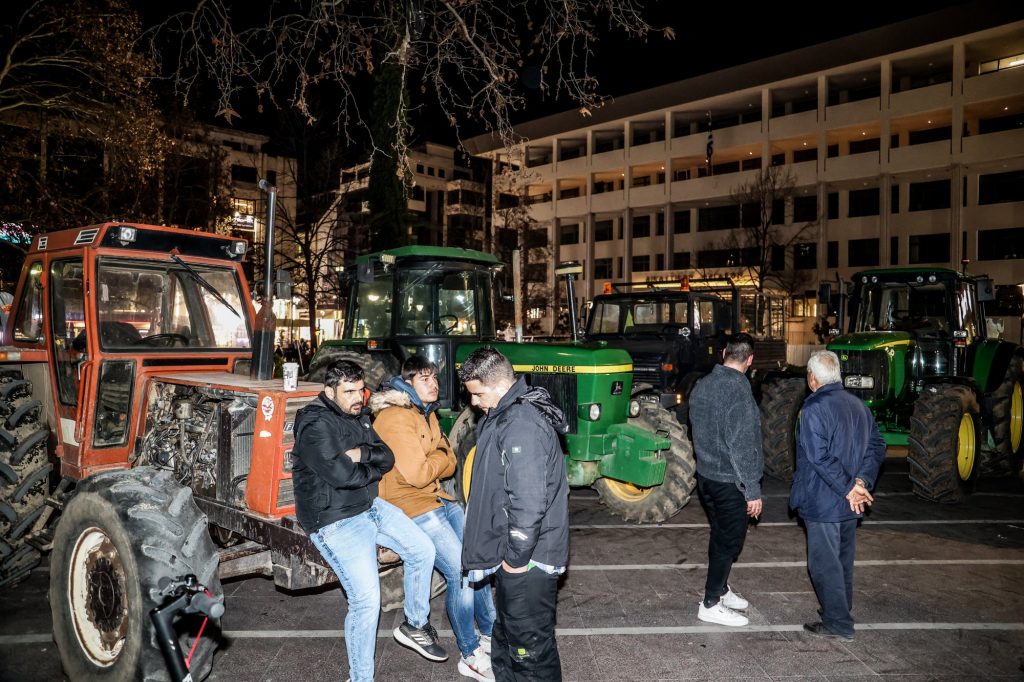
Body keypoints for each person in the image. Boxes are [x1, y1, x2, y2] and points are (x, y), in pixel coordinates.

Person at [291, 359, 447, 682]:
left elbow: (386, 457)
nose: (357, 398)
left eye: (360, 390)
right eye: (348, 391)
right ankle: (361, 678)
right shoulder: (315, 424)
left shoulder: (359, 415)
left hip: (370, 505)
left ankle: (415, 624)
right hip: (335, 518)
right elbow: (341, 475)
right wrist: (368, 467)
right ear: (329, 391)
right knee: (366, 601)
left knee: (423, 549)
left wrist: (360, 455)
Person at [372, 356, 497, 681]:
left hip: (437, 497)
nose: (434, 384)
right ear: (407, 383)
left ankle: (491, 634)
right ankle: (470, 653)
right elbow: (419, 473)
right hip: (410, 504)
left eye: (435, 378)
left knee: (477, 558)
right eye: (424, 379)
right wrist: (439, 459)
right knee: (459, 571)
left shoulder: (425, 413)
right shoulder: (396, 417)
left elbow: (450, 460)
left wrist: (438, 459)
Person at [459, 348, 569, 682]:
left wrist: (516, 561)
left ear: (498, 386)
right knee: (508, 641)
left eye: (478, 394)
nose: (474, 402)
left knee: (530, 653)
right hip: (520, 558)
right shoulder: (506, 414)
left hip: (529, 560)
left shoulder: (520, 424)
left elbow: (529, 500)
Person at [790, 350, 886, 641]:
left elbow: (818, 457)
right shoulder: (859, 405)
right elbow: (877, 446)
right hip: (850, 502)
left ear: (812, 378)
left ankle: (838, 623)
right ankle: (840, 608)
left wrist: (849, 487)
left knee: (823, 564)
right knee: (842, 561)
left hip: (825, 500)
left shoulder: (814, 407)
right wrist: (861, 481)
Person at [687, 332, 763, 627]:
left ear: (723, 353)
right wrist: (752, 489)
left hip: (706, 477)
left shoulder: (702, 385)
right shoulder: (739, 392)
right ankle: (710, 603)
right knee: (728, 542)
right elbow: (742, 446)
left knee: (720, 535)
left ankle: (720, 588)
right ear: (750, 360)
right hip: (730, 481)